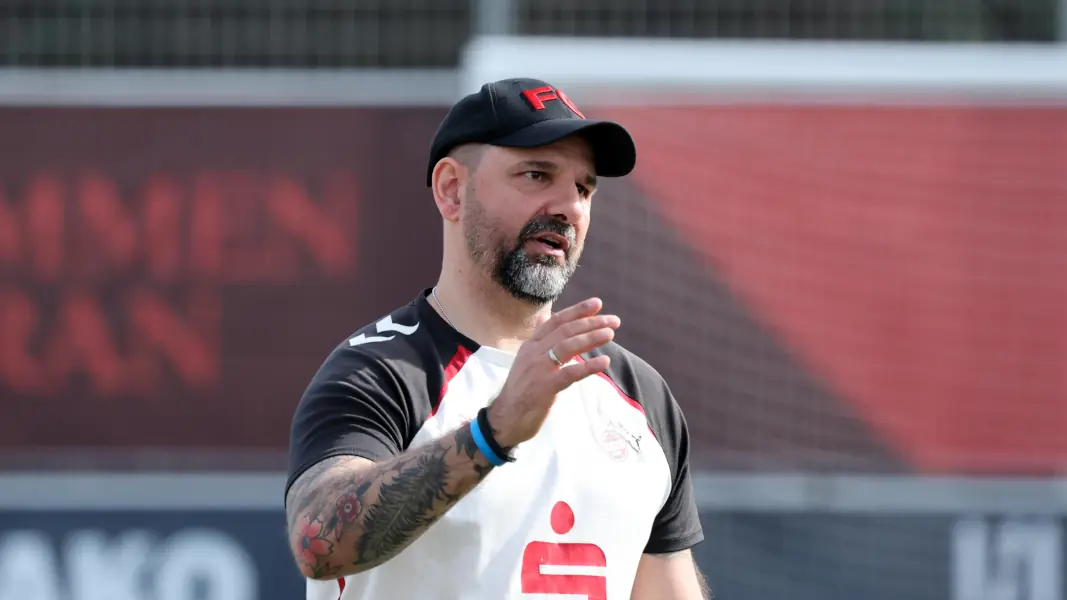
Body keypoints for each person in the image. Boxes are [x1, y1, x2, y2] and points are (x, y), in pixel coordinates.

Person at [284, 77, 710, 600]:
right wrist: (494, 432)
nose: (568, 206)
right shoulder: (382, 370)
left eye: (583, 188)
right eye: (537, 174)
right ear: (451, 190)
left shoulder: (638, 394)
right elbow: (316, 542)